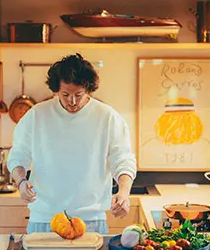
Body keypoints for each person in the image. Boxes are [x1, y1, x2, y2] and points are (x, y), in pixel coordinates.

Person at [7, 53, 137, 234]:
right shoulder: (37, 115)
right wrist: (21, 182)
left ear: (88, 89)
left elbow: (123, 159)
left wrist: (123, 193)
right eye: (65, 94)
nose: (72, 101)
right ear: (55, 90)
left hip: (91, 220)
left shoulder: (107, 117)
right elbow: (18, 155)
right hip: (44, 217)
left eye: (79, 94)